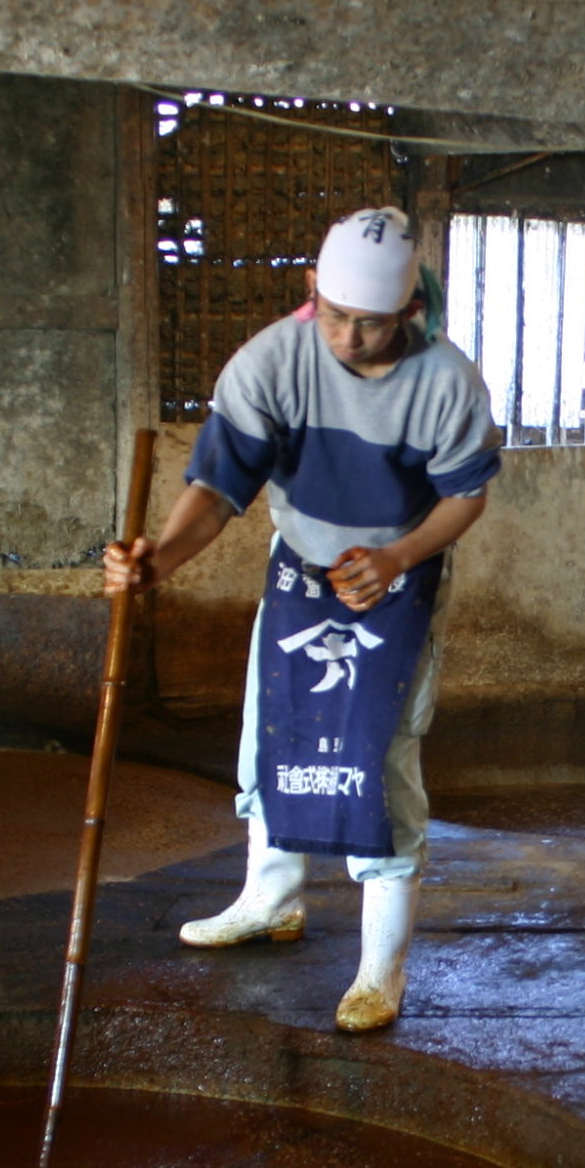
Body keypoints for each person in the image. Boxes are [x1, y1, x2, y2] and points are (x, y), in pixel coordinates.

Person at [102, 207, 498, 1032]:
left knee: (376, 756)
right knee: (271, 733)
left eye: (374, 323)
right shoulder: (271, 363)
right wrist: (158, 562)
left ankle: (380, 966)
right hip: (302, 564)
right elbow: (216, 490)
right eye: (337, 314)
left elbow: (465, 495)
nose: (350, 338)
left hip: (402, 573)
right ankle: (270, 901)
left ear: (410, 314)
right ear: (311, 288)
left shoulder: (445, 380)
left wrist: (396, 559)